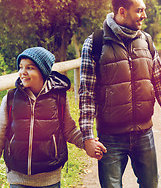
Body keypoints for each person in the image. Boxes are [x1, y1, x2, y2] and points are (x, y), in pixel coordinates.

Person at [79, 0, 161, 188]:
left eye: (144, 10)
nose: (144, 15)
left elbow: (160, 84)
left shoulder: (147, 42)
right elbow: (86, 94)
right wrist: (88, 137)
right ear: (122, 12)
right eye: (139, 10)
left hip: (144, 134)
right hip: (110, 138)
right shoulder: (95, 43)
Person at [0, 47, 103, 188]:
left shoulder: (58, 97)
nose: (22, 72)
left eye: (29, 68)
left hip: (49, 178)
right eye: (20, 67)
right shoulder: (10, 98)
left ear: (43, 71)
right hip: (18, 177)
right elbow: (0, 134)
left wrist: (87, 143)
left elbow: (70, 130)